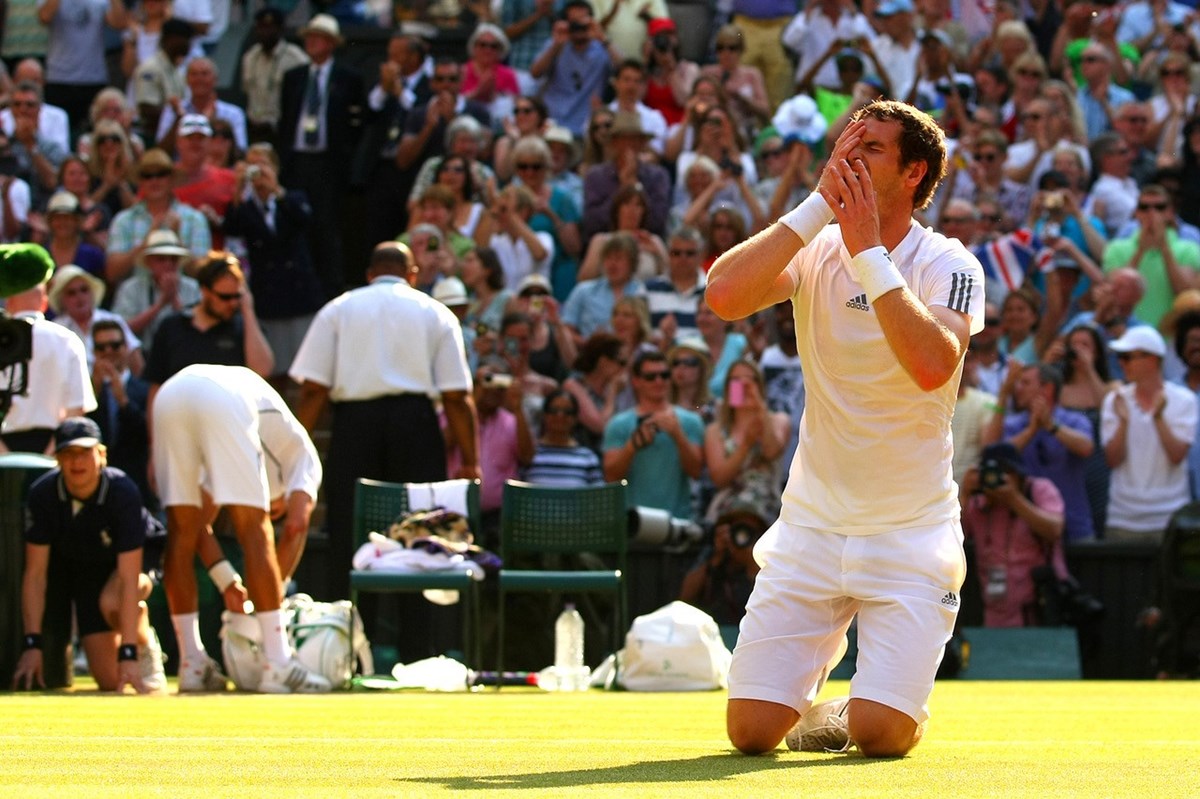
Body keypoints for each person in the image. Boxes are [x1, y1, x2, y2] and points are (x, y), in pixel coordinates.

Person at [705, 102, 984, 757]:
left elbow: (932, 364)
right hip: (811, 528)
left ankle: (867, 706)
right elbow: (723, 295)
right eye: (847, 141)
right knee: (749, 733)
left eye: (874, 147)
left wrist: (868, 253)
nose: (851, 153)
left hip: (913, 537)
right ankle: (828, 701)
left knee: (881, 736)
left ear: (915, 173)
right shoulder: (816, 246)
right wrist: (815, 207)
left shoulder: (951, 262)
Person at [290, 242, 480, 601]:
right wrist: (471, 460)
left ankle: (349, 635)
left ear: (369, 275)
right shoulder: (435, 312)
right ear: (412, 275)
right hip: (416, 429)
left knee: (349, 531)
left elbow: (314, 390)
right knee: (423, 535)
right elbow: (456, 396)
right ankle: (420, 649)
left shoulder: (339, 309)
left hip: (354, 429)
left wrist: (298, 446)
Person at [153, 364, 328, 693]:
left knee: (180, 531)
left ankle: (191, 662)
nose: (276, 510)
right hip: (223, 397)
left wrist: (228, 583)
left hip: (171, 392)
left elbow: (195, 528)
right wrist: (272, 600)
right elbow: (295, 527)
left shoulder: (237, 439)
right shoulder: (305, 457)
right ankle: (277, 662)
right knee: (255, 529)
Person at [12, 417, 166, 693]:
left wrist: (128, 652)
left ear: (102, 455)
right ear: (57, 459)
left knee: (113, 600)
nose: (77, 462)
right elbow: (35, 574)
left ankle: (144, 642)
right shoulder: (43, 495)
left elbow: (130, 577)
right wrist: (32, 644)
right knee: (110, 681)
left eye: (85, 452)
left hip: (131, 566)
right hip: (84, 569)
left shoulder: (123, 492)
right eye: (68, 454)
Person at [278, 13, 366, 299]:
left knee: (326, 225)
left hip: (328, 163)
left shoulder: (348, 78)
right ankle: (297, 283)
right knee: (294, 222)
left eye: (318, 37)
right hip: (298, 160)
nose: (311, 42)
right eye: (309, 37)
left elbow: (357, 123)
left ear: (330, 43)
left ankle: (331, 287)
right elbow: (286, 121)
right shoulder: (294, 77)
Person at [1101, 326, 1197, 542]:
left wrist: (1159, 418)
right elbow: (1112, 460)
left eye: (1127, 357)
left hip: (1169, 517)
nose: (1121, 363)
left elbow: (1177, 456)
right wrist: (1124, 422)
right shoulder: (1114, 401)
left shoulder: (1185, 400)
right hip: (1122, 517)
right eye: (1120, 357)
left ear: (1152, 360)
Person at [1, 246, 96, 455]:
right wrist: (50, 457)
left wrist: (6, 456)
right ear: (44, 300)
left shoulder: (68, 339)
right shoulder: (67, 339)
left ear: (8, 300)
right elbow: (76, 411)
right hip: (54, 449)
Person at [959, 441, 1065, 628]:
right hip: (994, 612)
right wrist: (965, 493)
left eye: (1007, 472)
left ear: (1019, 474)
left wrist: (1014, 499)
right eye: (993, 473)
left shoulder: (1039, 490)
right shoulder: (978, 503)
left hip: (1038, 612)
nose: (999, 479)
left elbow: (1055, 530)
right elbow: (953, 540)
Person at [141, 252, 274, 385]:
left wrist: (248, 310)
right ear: (205, 291)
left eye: (237, 296)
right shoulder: (172, 327)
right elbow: (156, 384)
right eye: (225, 297)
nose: (232, 303)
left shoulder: (244, 328)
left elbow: (262, 371)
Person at [602, 349, 704, 519]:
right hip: (632, 522)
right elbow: (611, 477)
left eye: (664, 375)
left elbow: (696, 472)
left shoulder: (690, 421)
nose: (659, 381)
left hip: (677, 520)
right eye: (650, 377)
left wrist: (678, 435)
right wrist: (632, 446)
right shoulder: (618, 424)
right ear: (636, 381)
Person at [87, 320, 154, 509]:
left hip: (136, 482)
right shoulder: (86, 393)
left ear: (126, 348)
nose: (108, 351)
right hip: (96, 484)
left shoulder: (144, 389)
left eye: (115, 345)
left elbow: (146, 433)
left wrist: (123, 401)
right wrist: (96, 393)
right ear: (94, 352)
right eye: (101, 347)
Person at [523, 389, 604, 486]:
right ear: (544, 415)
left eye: (568, 412)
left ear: (575, 418)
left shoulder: (588, 457)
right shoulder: (528, 454)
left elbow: (598, 495)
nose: (560, 415)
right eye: (554, 410)